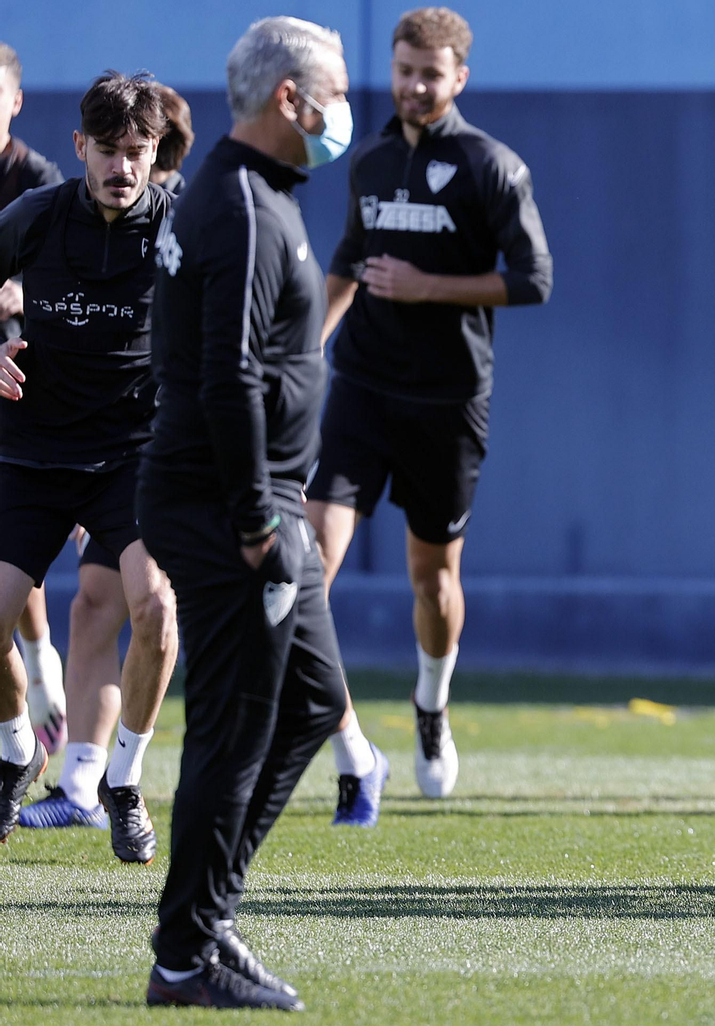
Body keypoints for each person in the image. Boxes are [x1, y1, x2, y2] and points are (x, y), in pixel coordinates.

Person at [140, 16, 351, 1010]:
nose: (343, 110)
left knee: (310, 702)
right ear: (288, 98)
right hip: (232, 513)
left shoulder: (255, 193)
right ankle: (187, 955)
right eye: (333, 92)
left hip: (250, 503)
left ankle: (204, 915)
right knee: (234, 729)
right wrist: (259, 524)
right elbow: (227, 378)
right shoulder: (242, 206)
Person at [307, 5, 552, 814]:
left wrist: (428, 287)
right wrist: (302, 352)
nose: (414, 86)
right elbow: (349, 261)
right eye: (404, 71)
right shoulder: (370, 158)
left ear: (459, 79)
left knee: (433, 580)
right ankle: (346, 747)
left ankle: (431, 705)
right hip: (361, 389)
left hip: (448, 403)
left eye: (430, 75)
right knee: (308, 566)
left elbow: (535, 278)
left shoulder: (491, 166)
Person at [0, 72, 179, 865]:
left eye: (136, 151)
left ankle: (123, 784)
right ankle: (16, 752)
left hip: (132, 458)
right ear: (79, 147)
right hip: (32, 454)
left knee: (156, 610)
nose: (121, 166)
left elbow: (242, 326)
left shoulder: (180, 228)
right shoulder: (35, 216)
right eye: (107, 149)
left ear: (155, 152)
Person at [0, 41, 68, 756]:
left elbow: (65, 280)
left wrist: (23, 291)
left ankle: (43, 664)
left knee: (15, 534)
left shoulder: (38, 182)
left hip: (18, 377)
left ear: (15, 102)